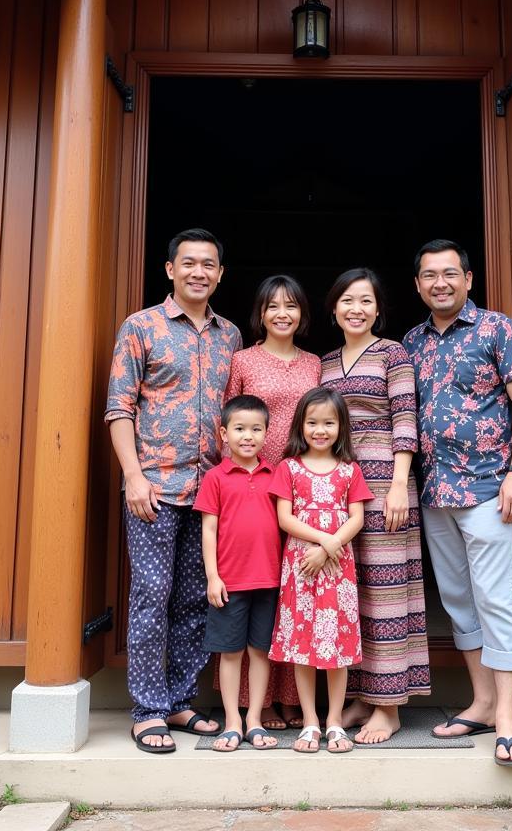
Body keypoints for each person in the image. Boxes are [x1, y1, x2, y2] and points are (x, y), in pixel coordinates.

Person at [105, 229, 242, 755]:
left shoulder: (229, 335)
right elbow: (120, 407)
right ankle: (147, 710)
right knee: (150, 598)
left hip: (209, 491)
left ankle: (182, 699)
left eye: (209, 264)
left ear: (220, 274)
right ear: (170, 269)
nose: (199, 272)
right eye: (189, 263)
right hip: (156, 489)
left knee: (194, 600)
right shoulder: (141, 327)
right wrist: (133, 476)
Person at [402, 239, 512, 767]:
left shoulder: (496, 328)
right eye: (430, 275)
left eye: (450, 274)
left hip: (489, 487)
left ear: (469, 279)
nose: (440, 283)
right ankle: (481, 703)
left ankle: (508, 716)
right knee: (459, 599)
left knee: (496, 597)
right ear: (417, 285)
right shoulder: (411, 342)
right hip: (435, 491)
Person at [319, 268, 431, 744]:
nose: (356, 309)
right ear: (334, 309)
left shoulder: (394, 354)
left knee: (387, 594)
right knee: (352, 591)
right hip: (339, 486)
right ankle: (363, 696)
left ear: (379, 309)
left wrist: (401, 485)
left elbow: (406, 417)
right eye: (347, 300)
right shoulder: (324, 363)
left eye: (365, 300)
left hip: (387, 481)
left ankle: (389, 707)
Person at [219, 275, 322, 729]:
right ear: (260, 313)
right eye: (273, 306)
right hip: (254, 485)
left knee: (293, 593)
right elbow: (228, 421)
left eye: (292, 306)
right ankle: (254, 704)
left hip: (301, 485)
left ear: (302, 314)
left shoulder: (315, 363)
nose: (283, 313)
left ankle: (289, 698)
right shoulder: (242, 359)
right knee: (256, 589)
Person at [268, 387, 373, 754]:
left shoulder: (349, 470)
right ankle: (310, 720)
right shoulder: (289, 467)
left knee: (337, 647)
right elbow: (285, 517)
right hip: (302, 569)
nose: (320, 430)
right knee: (304, 645)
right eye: (312, 422)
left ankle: (334, 722)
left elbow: (357, 517)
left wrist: (330, 547)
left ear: (341, 427)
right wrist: (322, 543)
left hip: (338, 571)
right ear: (301, 425)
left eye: (329, 422)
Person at [194, 395, 281, 753]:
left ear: (266, 433)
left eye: (256, 429)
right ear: (224, 433)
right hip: (230, 582)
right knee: (230, 654)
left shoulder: (275, 475)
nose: (248, 436)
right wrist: (213, 577)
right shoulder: (216, 478)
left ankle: (255, 719)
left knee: (260, 652)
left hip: (269, 580)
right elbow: (209, 530)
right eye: (240, 429)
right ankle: (232, 721)